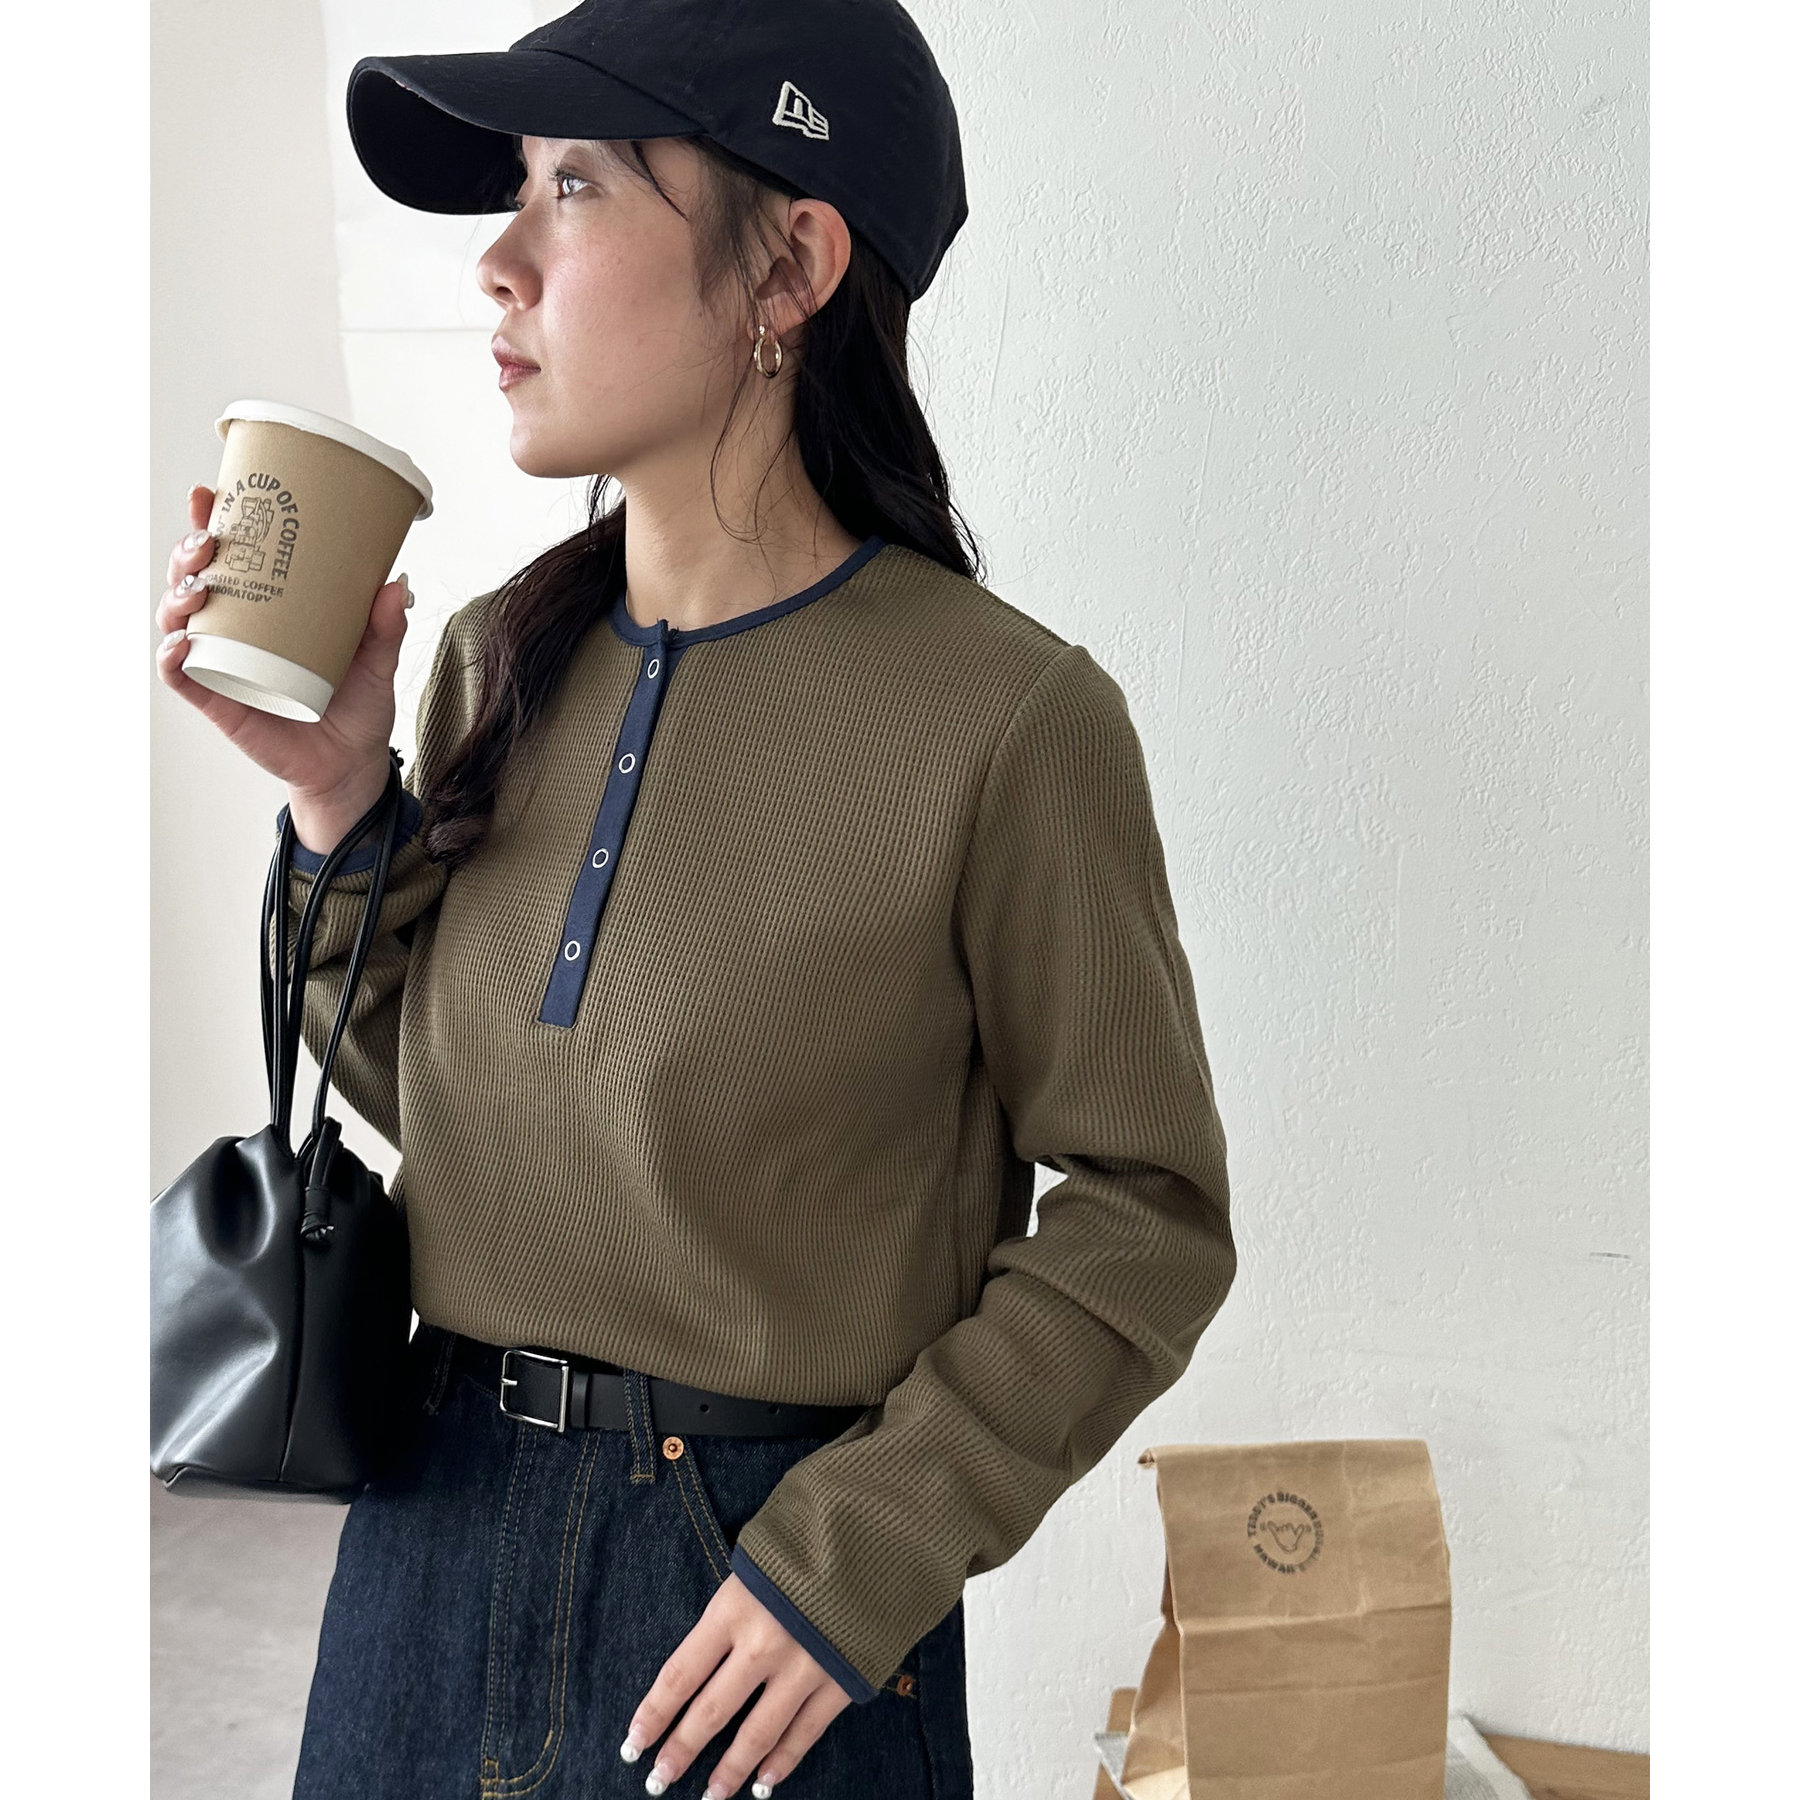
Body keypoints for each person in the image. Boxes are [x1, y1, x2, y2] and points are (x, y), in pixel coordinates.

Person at [153, 3, 1237, 1796]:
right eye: (515, 188)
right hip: (425, 1540)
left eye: (574, 186)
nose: (497, 262)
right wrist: (338, 792)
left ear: (789, 266)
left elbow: (1152, 1214)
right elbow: (452, 1111)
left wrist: (861, 1556)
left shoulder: (1008, 721)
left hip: (754, 1614)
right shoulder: (495, 658)